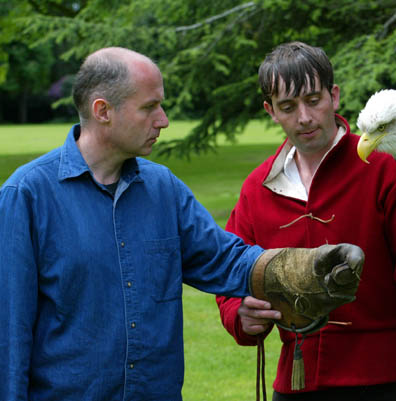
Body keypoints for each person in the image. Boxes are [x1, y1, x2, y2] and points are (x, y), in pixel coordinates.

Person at [0, 46, 364, 401]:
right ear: (102, 111)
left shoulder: (163, 188)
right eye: (149, 107)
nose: (164, 120)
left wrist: (303, 269)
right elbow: (9, 334)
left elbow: (225, 259)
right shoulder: (27, 195)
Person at [216, 41, 396, 401]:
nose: (304, 117)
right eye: (288, 106)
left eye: (313, 100)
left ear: (334, 95)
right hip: (298, 379)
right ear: (271, 111)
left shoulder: (388, 167)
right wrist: (239, 313)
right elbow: (231, 268)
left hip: (384, 377)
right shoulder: (258, 187)